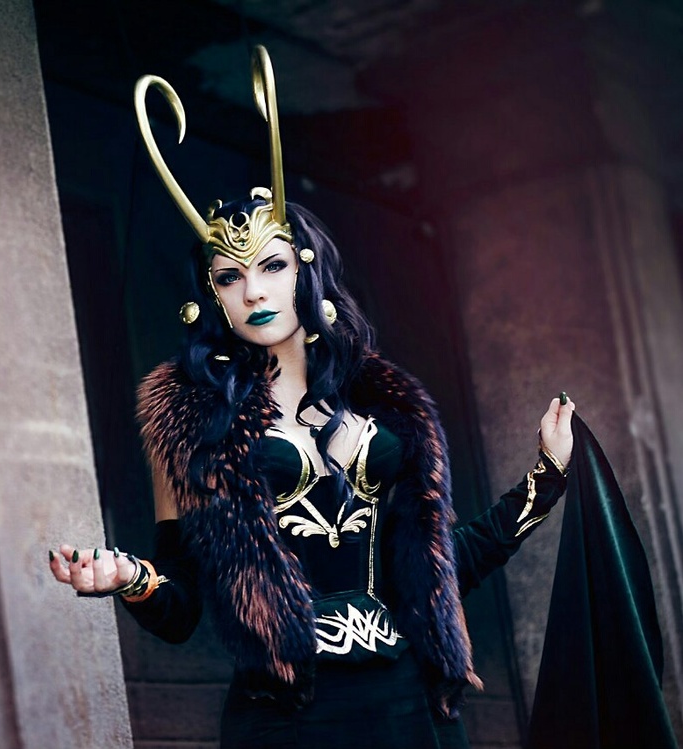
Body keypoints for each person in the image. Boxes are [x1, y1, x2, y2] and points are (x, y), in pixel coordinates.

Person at [48, 46, 575, 749]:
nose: (253, 291)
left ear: (307, 270)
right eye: (229, 277)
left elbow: (438, 563)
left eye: (270, 265)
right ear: (212, 296)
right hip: (285, 718)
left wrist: (548, 478)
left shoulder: (386, 408)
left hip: (408, 709)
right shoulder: (189, 424)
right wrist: (127, 577)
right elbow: (181, 607)